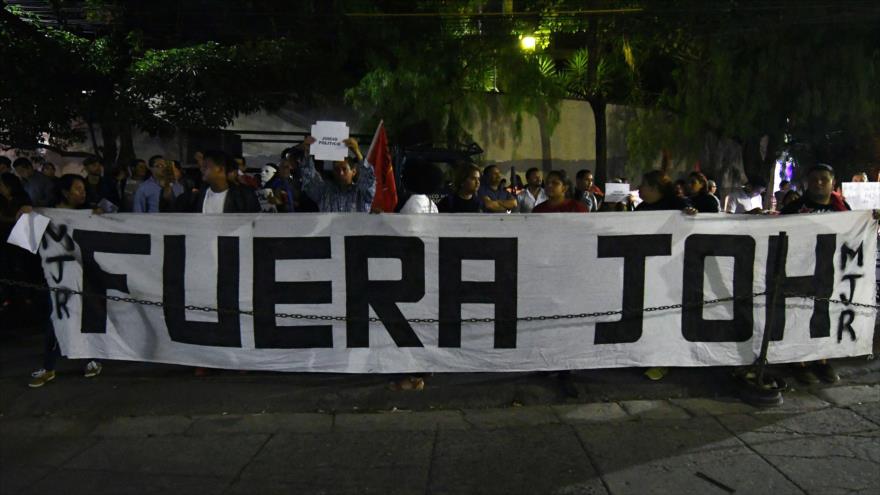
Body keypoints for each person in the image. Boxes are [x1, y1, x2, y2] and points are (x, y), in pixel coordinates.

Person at [29, 174, 103, 387]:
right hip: (58, 278)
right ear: (64, 192)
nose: (83, 193)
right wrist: (26, 212)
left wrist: (102, 216)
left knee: (87, 316)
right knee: (57, 319)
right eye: (78, 189)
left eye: (84, 189)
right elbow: (26, 238)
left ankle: (91, 358)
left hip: (86, 276)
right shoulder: (45, 215)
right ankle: (49, 366)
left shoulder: (89, 211)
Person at [779, 164, 851, 385]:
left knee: (825, 313)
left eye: (824, 179)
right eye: (814, 179)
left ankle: (821, 359)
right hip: (800, 270)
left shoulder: (843, 208)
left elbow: (854, 231)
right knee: (799, 314)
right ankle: (798, 362)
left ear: (833, 183)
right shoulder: (796, 207)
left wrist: (871, 219)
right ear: (806, 183)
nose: (818, 183)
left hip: (831, 271)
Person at [635, 170, 696, 382]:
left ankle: (664, 361)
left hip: (671, 272)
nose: (639, 188)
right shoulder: (641, 208)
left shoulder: (679, 207)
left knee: (666, 316)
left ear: (655, 188)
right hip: (647, 269)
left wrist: (691, 217)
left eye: (643, 184)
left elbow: (694, 228)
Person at [297, 137, 376, 212]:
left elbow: (369, 181)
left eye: (344, 169)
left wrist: (357, 152)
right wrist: (307, 152)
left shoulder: (362, 193)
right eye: (336, 169)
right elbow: (309, 180)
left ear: (354, 172)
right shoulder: (324, 192)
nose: (340, 173)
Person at [174, 150, 260, 213]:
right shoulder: (194, 197)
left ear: (220, 169)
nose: (201, 169)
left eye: (206, 166)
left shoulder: (245, 196)